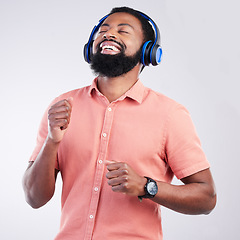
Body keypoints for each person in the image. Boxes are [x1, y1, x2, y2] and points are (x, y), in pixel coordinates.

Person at [22, 6, 216, 240]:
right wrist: (52, 143)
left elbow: (206, 198)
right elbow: (34, 198)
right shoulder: (62, 106)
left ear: (148, 51)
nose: (109, 34)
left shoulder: (170, 114)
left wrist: (146, 187)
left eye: (123, 31)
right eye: (103, 30)